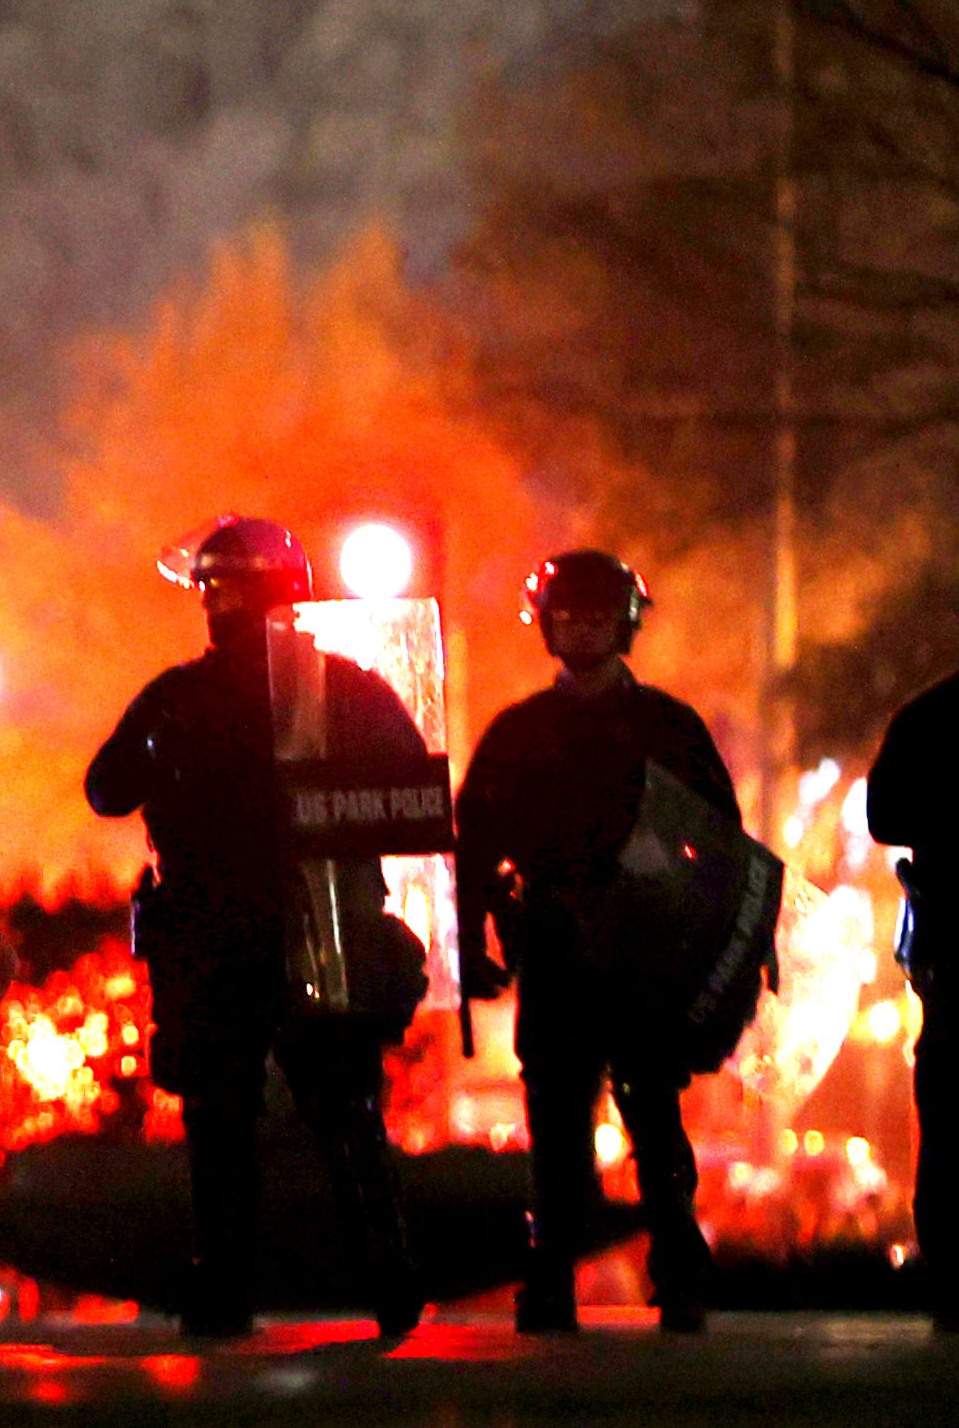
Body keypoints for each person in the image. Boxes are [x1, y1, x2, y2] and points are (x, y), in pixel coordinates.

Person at [87, 516, 435, 1342]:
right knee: (298, 1112)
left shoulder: (185, 698)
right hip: (281, 929)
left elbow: (108, 787)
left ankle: (250, 1290)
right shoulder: (342, 690)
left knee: (263, 1114)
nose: (219, 604)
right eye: (213, 587)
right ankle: (368, 1279)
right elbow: (415, 800)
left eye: (232, 587)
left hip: (266, 930)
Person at [459, 552, 740, 1334]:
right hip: (553, 948)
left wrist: (703, 937)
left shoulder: (669, 728)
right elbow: (472, 847)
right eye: (568, 614)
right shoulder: (518, 734)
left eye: (595, 614)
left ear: (625, 623)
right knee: (554, 1122)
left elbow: (723, 842)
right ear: (546, 624)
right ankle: (550, 1278)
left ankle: (679, 1272)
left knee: (652, 1113)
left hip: (647, 955)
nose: (580, 627)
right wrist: (472, 946)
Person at [867, 663, 959, 1326]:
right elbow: (883, 814)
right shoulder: (931, 719)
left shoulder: (928, 716)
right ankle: (953, 1278)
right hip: (955, 954)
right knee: (953, 1113)